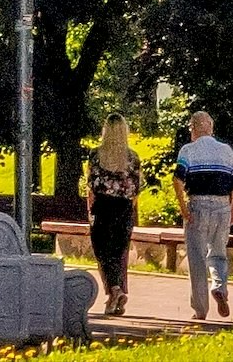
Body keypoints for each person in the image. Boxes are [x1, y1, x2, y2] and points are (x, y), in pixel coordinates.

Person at [170, 111, 233, 321]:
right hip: (222, 206)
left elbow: (177, 180)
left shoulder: (188, 150)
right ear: (211, 128)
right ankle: (220, 287)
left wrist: (183, 207)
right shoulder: (226, 150)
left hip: (198, 205)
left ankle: (200, 310)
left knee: (197, 258)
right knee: (218, 254)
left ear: (193, 128)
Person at [84, 116, 143, 318]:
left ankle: (115, 291)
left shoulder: (96, 155)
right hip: (124, 207)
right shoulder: (133, 157)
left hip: (102, 206)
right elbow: (136, 187)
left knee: (103, 252)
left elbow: (91, 184)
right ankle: (115, 294)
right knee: (118, 252)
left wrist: (90, 209)